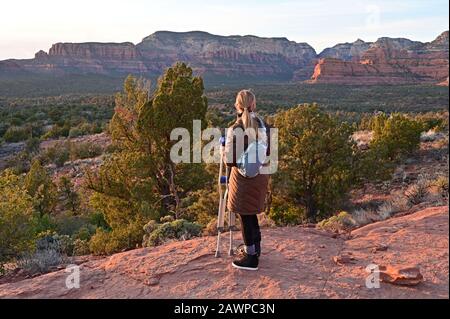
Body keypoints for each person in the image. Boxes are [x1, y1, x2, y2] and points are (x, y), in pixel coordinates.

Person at [224, 89, 270, 271]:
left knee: (245, 216)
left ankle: (250, 258)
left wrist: (223, 151)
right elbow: (268, 152)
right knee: (251, 214)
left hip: (242, 179)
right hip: (260, 176)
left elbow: (229, 160)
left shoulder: (235, 128)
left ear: (237, 105)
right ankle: (256, 249)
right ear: (253, 105)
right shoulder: (264, 125)